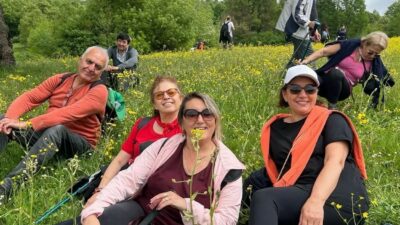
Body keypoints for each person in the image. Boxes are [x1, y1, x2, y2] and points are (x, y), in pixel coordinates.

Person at [57, 92, 245, 225]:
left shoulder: (229, 169)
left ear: (216, 119)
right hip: (141, 211)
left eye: (207, 114)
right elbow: (127, 180)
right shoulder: (163, 146)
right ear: (182, 122)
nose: (200, 120)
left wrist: (184, 204)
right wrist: (93, 211)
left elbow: (225, 221)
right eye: (191, 114)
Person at [244, 65, 369, 225]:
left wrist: (315, 202)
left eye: (310, 89)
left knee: (265, 198)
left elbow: (335, 162)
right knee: (253, 189)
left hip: (336, 194)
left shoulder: (331, 120)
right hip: (299, 192)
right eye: (295, 89)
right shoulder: (275, 127)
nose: (303, 94)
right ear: (285, 94)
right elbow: (279, 168)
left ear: (316, 93)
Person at [0, 46, 109, 202]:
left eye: (97, 67)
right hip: (47, 135)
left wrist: (28, 124)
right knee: (2, 118)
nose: (91, 68)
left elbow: (67, 114)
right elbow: (30, 97)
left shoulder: (99, 90)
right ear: (80, 60)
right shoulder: (61, 79)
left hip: (79, 144)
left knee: (58, 129)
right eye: (89, 61)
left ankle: (6, 189)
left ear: (101, 72)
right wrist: (9, 119)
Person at [84, 75, 183, 206]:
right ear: (154, 104)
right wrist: (100, 191)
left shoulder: (188, 129)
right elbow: (120, 160)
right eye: (159, 95)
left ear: (181, 98)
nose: (166, 97)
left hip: (157, 190)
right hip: (128, 180)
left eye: (171, 92)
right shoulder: (142, 124)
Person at [300, 31, 394, 109]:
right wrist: (306, 61)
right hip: (325, 81)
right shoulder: (349, 46)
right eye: (370, 52)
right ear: (364, 44)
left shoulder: (374, 63)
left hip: (343, 90)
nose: (373, 56)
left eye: (376, 54)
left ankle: (332, 108)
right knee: (308, 75)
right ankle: (302, 101)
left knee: (336, 73)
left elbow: (379, 82)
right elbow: (324, 51)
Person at [276, 0, 321, 67]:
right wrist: (309, 23)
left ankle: (286, 75)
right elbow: (297, 13)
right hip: (296, 30)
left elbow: (311, 11)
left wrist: (315, 30)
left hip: (301, 30)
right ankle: (312, 76)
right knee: (310, 60)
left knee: (297, 60)